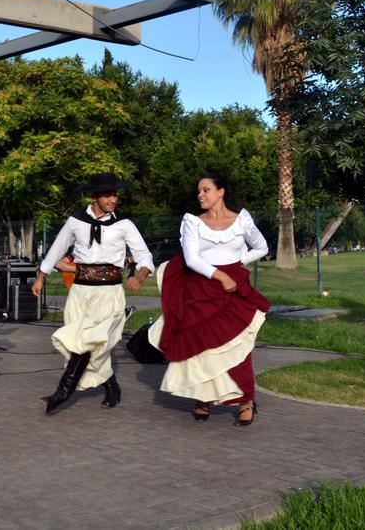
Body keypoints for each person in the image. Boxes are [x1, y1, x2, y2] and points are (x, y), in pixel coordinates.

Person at [150, 175, 269, 426]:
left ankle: (246, 400)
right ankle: (202, 399)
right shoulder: (193, 222)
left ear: (221, 192)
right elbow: (191, 259)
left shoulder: (242, 220)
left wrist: (236, 265)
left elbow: (262, 248)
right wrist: (220, 274)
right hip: (201, 290)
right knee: (200, 348)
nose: (200, 195)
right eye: (199, 191)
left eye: (206, 190)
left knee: (237, 345)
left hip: (234, 290)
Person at [31, 172, 154, 413]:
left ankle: (62, 392)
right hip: (79, 293)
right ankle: (111, 385)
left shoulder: (124, 224)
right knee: (84, 343)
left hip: (109, 294)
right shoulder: (75, 221)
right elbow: (58, 248)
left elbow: (144, 255)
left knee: (89, 341)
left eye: (115, 194)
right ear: (95, 196)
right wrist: (41, 277)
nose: (113, 199)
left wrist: (139, 276)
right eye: (108, 194)